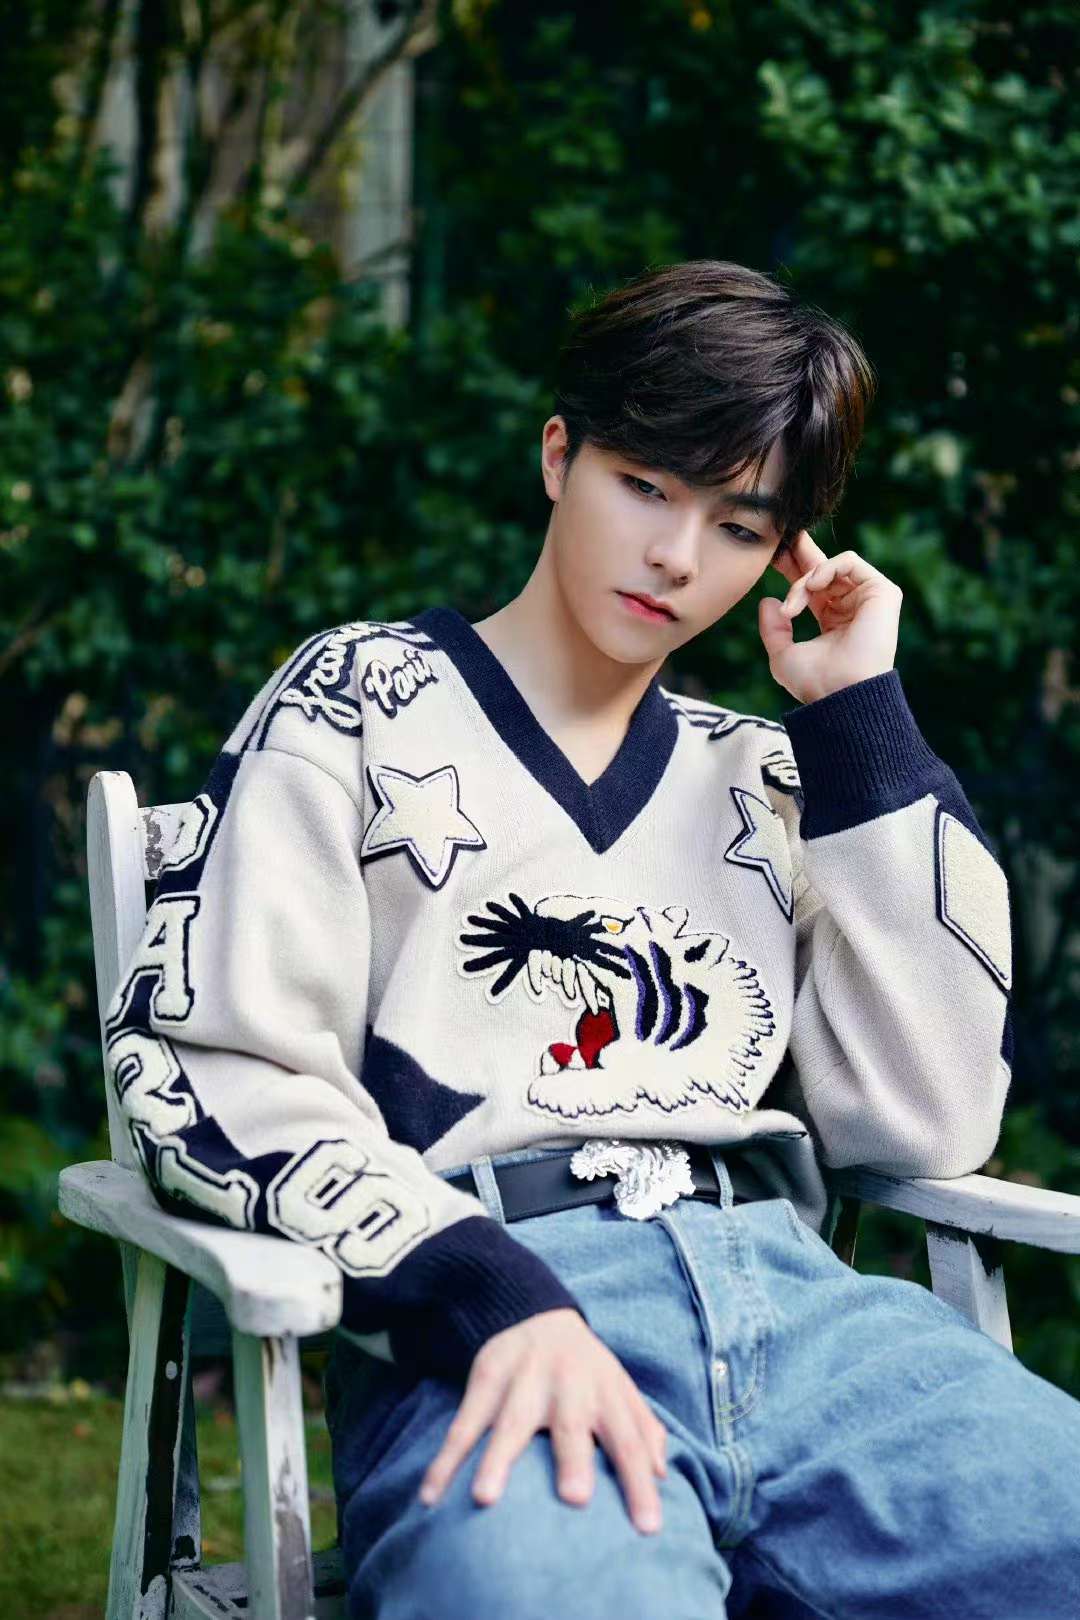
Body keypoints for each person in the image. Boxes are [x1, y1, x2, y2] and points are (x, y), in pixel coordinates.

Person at [103, 258, 1080, 1619]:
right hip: (500, 1321)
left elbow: (926, 1119)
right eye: (647, 487)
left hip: (816, 1327)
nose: (679, 556)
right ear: (560, 455)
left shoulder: (770, 779)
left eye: (739, 526)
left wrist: (859, 716)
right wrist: (483, 1293)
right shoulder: (360, 703)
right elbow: (221, 1064)